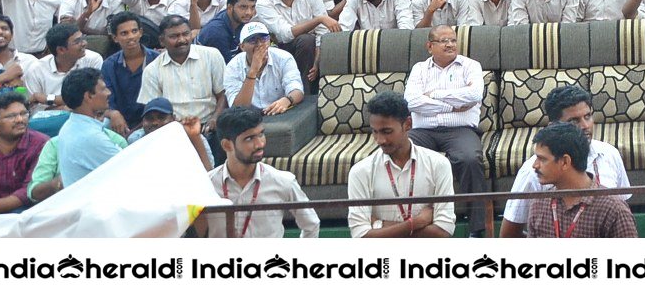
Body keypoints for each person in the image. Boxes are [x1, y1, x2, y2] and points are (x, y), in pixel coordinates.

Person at [500, 84, 630, 238]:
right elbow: (509, 236)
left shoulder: (609, 155)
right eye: (574, 121)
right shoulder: (533, 171)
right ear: (554, 127)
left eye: (588, 116)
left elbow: (623, 215)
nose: (585, 126)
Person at [404, 25, 488, 234]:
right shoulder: (420, 69)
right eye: (443, 41)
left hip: (460, 130)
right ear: (430, 46)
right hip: (423, 131)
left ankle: (477, 230)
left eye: (453, 40)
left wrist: (433, 95)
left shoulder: (471, 66)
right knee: (403, 155)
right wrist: (451, 105)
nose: (450, 44)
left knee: (470, 159)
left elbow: (474, 95)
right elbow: (412, 101)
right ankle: (406, 222)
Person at [347, 91, 457, 238]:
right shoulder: (360, 172)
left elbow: (443, 232)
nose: (380, 140)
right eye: (375, 132)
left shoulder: (438, 164)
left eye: (387, 132)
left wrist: (380, 225)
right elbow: (361, 237)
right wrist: (415, 223)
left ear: (408, 124)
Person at [200, 105, 320, 238]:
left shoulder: (283, 181)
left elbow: (311, 225)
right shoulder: (206, 185)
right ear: (227, 145)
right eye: (249, 138)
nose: (260, 144)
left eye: (261, 134)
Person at [521, 121, 638, 238]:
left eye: (542, 159)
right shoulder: (538, 205)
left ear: (565, 162)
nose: (535, 165)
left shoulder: (613, 211)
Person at [139, 14, 227, 135]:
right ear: (162, 41)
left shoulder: (211, 55)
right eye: (174, 36)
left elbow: (223, 94)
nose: (182, 40)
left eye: (185, 34)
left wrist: (215, 118)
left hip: (208, 126)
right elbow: (154, 112)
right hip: (172, 130)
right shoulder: (152, 70)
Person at [0, 92, 47, 214]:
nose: (20, 119)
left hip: (26, 215)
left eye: (23, 114)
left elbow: (27, 193)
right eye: (11, 116)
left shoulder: (41, 144)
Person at [223, 22, 303, 114]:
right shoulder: (233, 67)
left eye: (263, 39)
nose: (259, 44)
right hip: (248, 117)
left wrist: (287, 100)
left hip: (281, 112)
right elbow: (238, 108)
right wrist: (253, 71)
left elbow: (297, 90)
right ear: (242, 47)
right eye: (253, 40)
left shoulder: (283, 58)